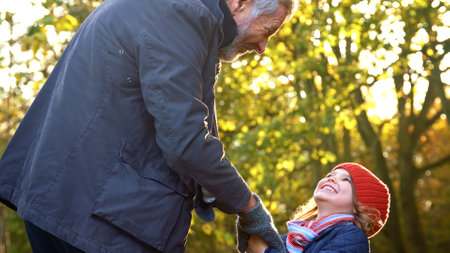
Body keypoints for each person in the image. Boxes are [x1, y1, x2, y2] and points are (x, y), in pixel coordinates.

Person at [0, 0, 298, 252]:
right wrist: (250, 210)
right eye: (267, 30)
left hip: (65, 205)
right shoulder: (182, 14)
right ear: (240, 2)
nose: (262, 47)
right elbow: (187, 143)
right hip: (99, 224)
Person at [245, 162, 391, 253]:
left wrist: (264, 251)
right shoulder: (290, 238)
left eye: (346, 180)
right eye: (330, 175)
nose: (331, 178)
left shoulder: (352, 236)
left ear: (359, 206)